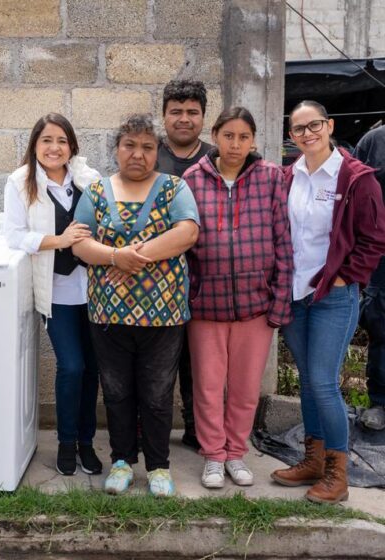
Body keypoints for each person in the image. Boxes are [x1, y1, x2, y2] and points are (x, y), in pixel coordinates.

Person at [72, 114, 200, 497]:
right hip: (108, 314)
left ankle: (158, 467)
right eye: (130, 145)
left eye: (147, 147)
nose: (138, 154)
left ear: (157, 152)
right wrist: (115, 257)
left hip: (164, 316)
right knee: (116, 391)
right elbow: (79, 243)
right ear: (117, 149)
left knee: (158, 393)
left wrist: (132, 257)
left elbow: (187, 232)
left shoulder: (174, 188)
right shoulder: (96, 192)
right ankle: (122, 462)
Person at [271, 101, 385, 504]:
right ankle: (314, 460)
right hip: (295, 296)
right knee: (308, 380)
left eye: (314, 125)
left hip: (333, 297)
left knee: (322, 381)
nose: (307, 134)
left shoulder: (355, 178)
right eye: (298, 129)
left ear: (330, 126)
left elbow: (374, 239)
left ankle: (338, 473)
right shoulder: (289, 176)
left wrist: (342, 277)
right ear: (291, 136)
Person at [182, 107, 293, 489]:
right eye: (228, 135)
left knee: (245, 388)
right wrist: (189, 295)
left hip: (255, 306)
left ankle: (235, 453)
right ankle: (213, 455)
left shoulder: (271, 177)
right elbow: (183, 245)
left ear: (253, 140)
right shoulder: (192, 179)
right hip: (206, 306)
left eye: (244, 137)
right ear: (215, 135)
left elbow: (283, 241)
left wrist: (279, 301)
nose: (235, 144)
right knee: (208, 387)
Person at [3, 113, 103, 477]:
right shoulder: (20, 182)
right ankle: (65, 442)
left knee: (92, 369)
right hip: (55, 291)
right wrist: (59, 241)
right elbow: (14, 236)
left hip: (93, 290)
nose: (54, 148)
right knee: (71, 366)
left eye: (62, 141)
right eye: (47, 140)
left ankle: (86, 443)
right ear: (35, 145)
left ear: (72, 146)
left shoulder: (88, 179)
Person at [157, 79, 214, 450]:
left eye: (192, 112)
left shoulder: (216, 157)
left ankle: (197, 430)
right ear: (164, 115)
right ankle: (149, 431)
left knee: (199, 364)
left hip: (205, 278)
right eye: (176, 111)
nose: (184, 118)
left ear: (203, 117)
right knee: (155, 364)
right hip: (154, 278)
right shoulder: (149, 154)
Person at [353, 126, 385, 431]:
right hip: (381, 254)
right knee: (381, 324)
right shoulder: (375, 141)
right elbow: (351, 193)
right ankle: (380, 402)